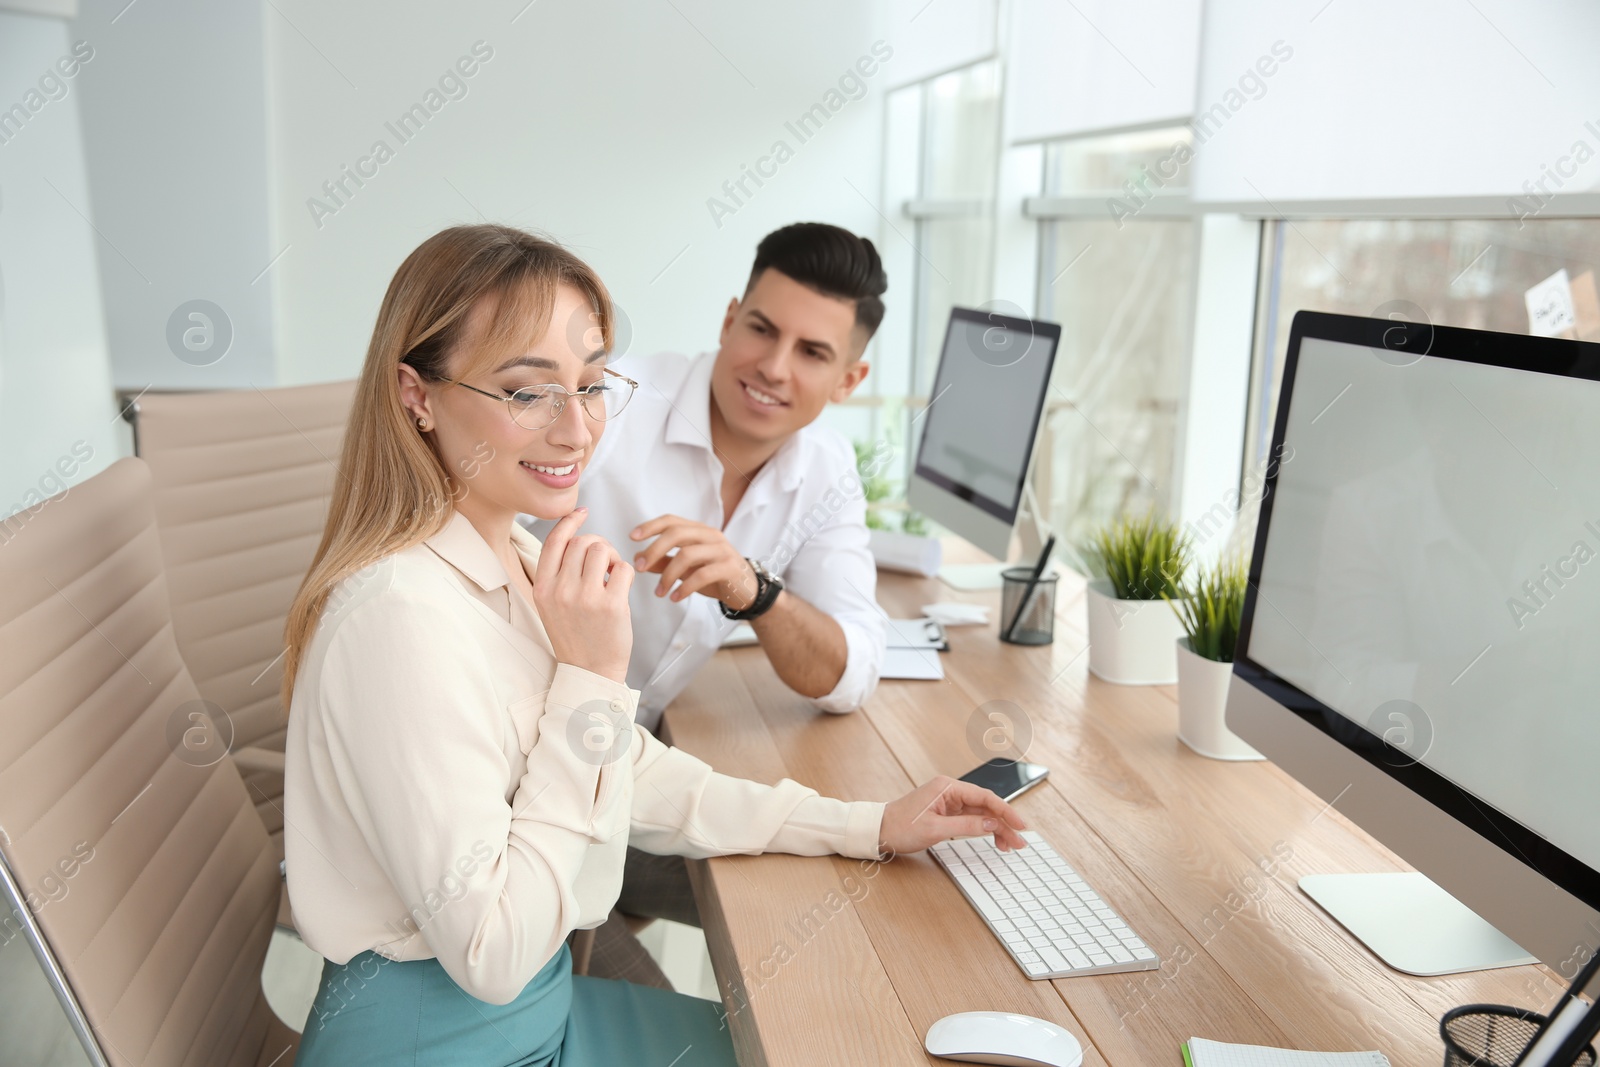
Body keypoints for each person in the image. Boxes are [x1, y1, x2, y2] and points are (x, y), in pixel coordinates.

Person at [280, 223, 1027, 1065]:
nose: (575, 431)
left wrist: (870, 822)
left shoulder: (512, 550)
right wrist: (592, 674)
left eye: (592, 385)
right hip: (442, 1037)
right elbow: (493, 950)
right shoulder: (399, 616)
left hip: (535, 1007)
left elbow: (640, 769)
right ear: (416, 394)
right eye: (528, 393)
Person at [526, 221, 894, 988]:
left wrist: (753, 591)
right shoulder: (606, 405)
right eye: (761, 329)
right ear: (729, 320)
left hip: (621, 771)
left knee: (823, 890)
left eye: (813, 352)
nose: (773, 366)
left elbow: (849, 673)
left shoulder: (823, 472)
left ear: (849, 380)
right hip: (518, 780)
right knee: (774, 899)